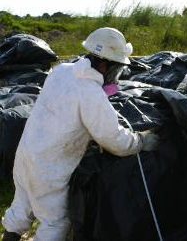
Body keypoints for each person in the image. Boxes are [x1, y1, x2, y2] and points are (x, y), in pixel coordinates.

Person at [2, 27, 159, 241]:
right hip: (49, 170)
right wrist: (142, 140)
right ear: (105, 65)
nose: (116, 76)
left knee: (21, 205)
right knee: (55, 222)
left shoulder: (62, 70)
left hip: (26, 154)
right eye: (116, 70)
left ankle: (9, 236)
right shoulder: (91, 94)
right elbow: (116, 141)